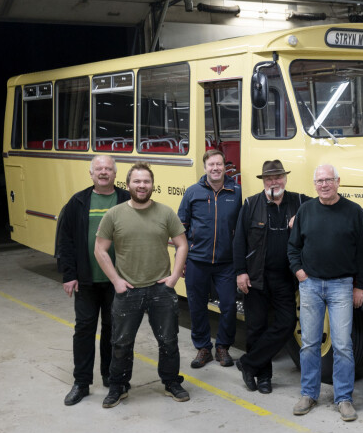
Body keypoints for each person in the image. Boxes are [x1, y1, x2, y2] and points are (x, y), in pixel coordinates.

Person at [94, 162, 190, 408]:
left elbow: (182, 244)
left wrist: (174, 277)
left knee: (168, 340)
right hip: (129, 291)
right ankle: (118, 387)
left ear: (152, 185)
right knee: (121, 342)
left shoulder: (166, 213)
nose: (142, 185)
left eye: (146, 181)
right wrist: (116, 280)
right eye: (137, 181)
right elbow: (100, 249)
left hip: (161, 290)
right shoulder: (114, 215)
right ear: (128, 185)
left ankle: (171, 382)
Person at [287, 165, 363, 422]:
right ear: (315, 184)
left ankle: (344, 398)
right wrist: (299, 272)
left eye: (328, 180)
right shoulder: (306, 210)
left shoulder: (353, 212)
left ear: (338, 182)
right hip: (310, 285)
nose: (324, 185)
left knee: (344, 345)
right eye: (320, 181)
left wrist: (361, 285)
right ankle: (308, 394)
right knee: (310, 344)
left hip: (341, 286)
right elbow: (293, 246)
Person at [56, 155, 130, 406]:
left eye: (108, 169)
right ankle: (81, 382)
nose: (103, 172)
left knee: (114, 330)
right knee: (85, 329)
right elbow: (65, 240)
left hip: (117, 280)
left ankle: (110, 376)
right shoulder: (78, 202)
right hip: (86, 280)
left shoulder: (125, 199)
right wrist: (69, 274)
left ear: (115, 174)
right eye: (98, 168)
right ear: (91, 174)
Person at [232, 160, 309, 394]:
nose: (274, 182)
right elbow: (239, 241)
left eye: (278, 177)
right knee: (256, 327)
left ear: (285, 179)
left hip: (286, 277)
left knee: (286, 324)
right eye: (269, 178)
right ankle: (263, 376)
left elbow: (322, 215)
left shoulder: (300, 202)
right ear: (264, 181)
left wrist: (302, 221)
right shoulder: (251, 203)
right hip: (256, 277)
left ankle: (248, 363)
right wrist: (240, 272)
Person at [177, 150, 241, 370]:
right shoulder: (193, 193)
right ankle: (203, 347)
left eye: (219, 164)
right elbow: (181, 227)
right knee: (196, 306)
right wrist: (182, 259)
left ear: (225, 167)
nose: (215, 168)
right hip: (196, 260)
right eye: (211, 164)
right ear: (205, 168)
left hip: (227, 263)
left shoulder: (236, 192)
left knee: (229, 305)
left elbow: (242, 230)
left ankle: (223, 347)